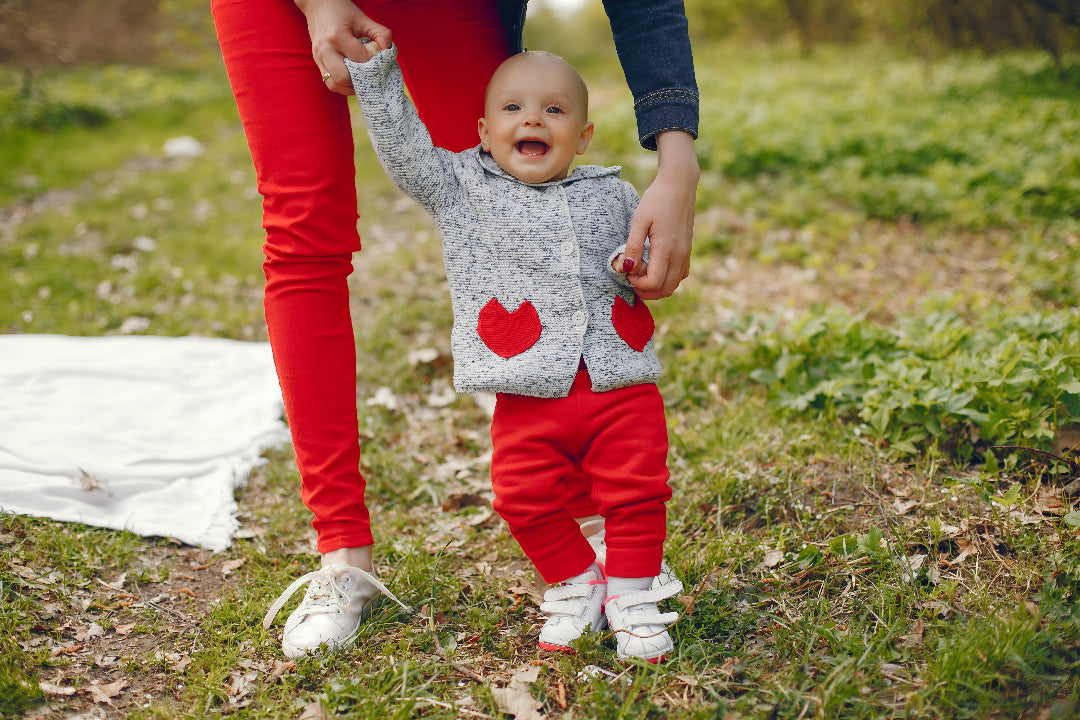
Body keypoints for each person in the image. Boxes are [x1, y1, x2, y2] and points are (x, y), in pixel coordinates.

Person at [212, 0, 698, 659]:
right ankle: (341, 551)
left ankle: (598, 540)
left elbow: (646, 10)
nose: (535, 121)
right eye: (523, 113)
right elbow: (418, 164)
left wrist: (677, 163)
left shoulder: (600, 186)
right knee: (304, 231)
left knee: (510, 175)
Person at [345, 46, 684, 662]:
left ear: (582, 137)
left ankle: (632, 596)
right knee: (521, 496)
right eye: (512, 108)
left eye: (554, 110)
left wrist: (635, 265)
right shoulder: (461, 187)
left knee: (636, 492)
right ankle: (577, 581)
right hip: (527, 390)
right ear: (483, 131)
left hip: (619, 382)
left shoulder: (614, 193)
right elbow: (404, 151)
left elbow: (643, 256)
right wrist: (376, 75)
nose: (532, 119)